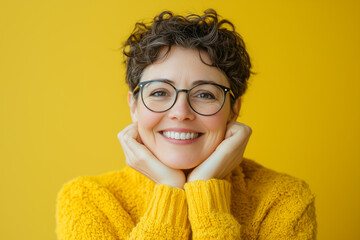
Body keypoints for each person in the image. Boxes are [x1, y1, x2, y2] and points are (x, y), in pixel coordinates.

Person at [56, 9, 317, 239]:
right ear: (134, 106)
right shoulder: (87, 199)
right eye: (159, 92)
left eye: (204, 94)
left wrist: (205, 190)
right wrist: (170, 191)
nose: (181, 112)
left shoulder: (283, 198)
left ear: (234, 110)